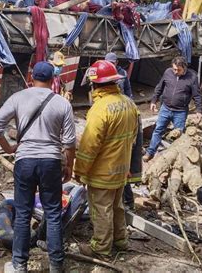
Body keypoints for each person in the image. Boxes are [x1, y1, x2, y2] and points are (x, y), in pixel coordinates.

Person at [0, 61, 76, 273]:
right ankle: (56, 265)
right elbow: (70, 143)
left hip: (25, 160)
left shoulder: (19, 97)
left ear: (32, 78)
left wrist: (8, 148)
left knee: (23, 212)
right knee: (53, 213)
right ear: (53, 80)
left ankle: (19, 265)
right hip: (51, 161)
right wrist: (69, 168)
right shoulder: (62, 103)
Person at [74, 60, 139, 259]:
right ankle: (121, 240)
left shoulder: (100, 108)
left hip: (102, 172)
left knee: (101, 210)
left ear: (95, 84)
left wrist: (80, 171)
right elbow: (134, 138)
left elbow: (89, 146)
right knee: (117, 206)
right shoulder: (129, 103)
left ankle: (101, 247)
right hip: (121, 170)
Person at [143, 57, 202, 162]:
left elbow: (197, 95)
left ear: (184, 67)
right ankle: (150, 153)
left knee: (179, 135)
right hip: (165, 108)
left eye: (178, 70)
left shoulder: (192, 77)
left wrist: (199, 110)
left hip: (180, 112)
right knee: (158, 130)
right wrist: (153, 101)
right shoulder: (168, 72)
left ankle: (177, 159)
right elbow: (159, 87)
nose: (175, 72)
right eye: (174, 69)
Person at [105, 52, 142, 210]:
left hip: (121, 149)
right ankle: (124, 202)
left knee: (122, 175)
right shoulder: (110, 109)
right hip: (121, 147)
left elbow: (128, 92)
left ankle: (127, 202)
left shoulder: (122, 75)